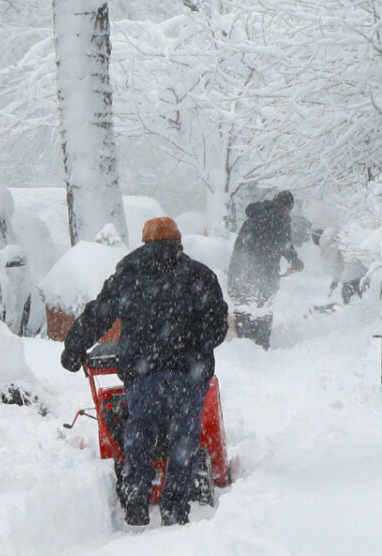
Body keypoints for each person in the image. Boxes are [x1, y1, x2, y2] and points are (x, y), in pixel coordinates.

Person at [60, 217, 228, 526]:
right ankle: (175, 507)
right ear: (178, 243)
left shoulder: (128, 275)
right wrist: (193, 345)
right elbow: (218, 326)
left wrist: (74, 348)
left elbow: (99, 314)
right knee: (184, 434)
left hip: (143, 369)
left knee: (140, 428)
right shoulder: (199, 275)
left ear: (145, 242)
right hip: (187, 371)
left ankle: (136, 495)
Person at [225, 190, 303, 348]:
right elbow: (285, 244)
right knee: (263, 306)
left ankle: (242, 340)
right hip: (265, 270)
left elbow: (240, 245)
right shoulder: (280, 219)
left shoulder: (253, 216)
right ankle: (260, 344)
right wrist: (295, 261)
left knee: (244, 303)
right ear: (287, 206)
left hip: (241, 269)